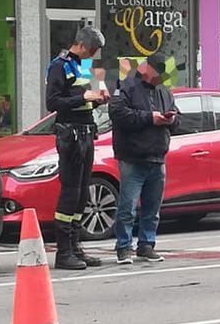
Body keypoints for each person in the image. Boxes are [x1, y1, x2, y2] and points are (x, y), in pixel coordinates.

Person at [44, 26, 110, 271]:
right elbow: (52, 102)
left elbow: (91, 97)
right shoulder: (59, 66)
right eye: (91, 50)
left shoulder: (85, 67)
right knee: (70, 192)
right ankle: (63, 252)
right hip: (69, 135)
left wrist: (99, 98)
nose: (92, 56)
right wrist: (82, 98)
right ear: (81, 45)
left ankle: (76, 246)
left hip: (86, 133)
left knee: (83, 192)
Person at [107, 54, 181, 265]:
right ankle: (123, 247)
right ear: (147, 69)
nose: (162, 79)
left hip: (158, 156)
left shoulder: (164, 91)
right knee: (127, 207)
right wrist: (150, 118)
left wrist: (172, 119)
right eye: (160, 74)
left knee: (152, 208)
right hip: (133, 156)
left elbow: (177, 118)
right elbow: (118, 113)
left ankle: (147, 245)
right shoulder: (126, 86)